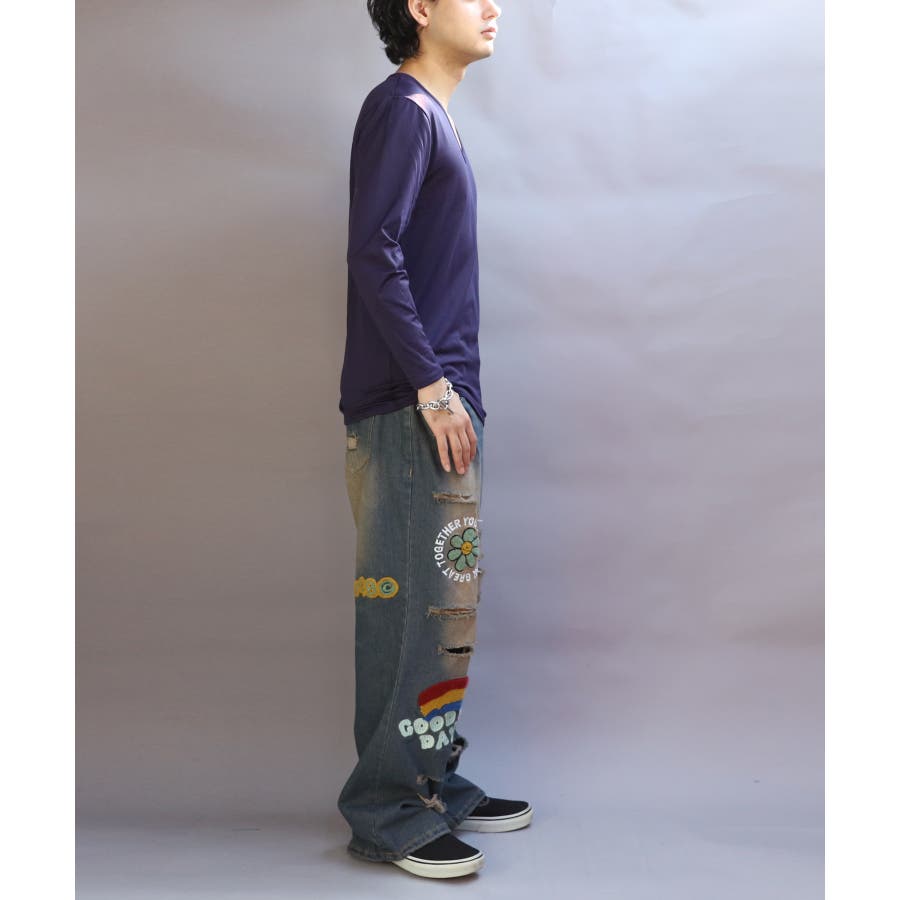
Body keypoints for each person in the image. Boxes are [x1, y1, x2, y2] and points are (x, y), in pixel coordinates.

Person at [336, 0, 532, 880]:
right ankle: (386, 810)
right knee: (410, 607)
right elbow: (372, 251)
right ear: (419, 7)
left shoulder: (430, 117)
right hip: (414, 406)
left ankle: (432, 784)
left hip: (442, 404)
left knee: (444, 609)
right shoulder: (402, 110)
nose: (493, 6)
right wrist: (431, 386)